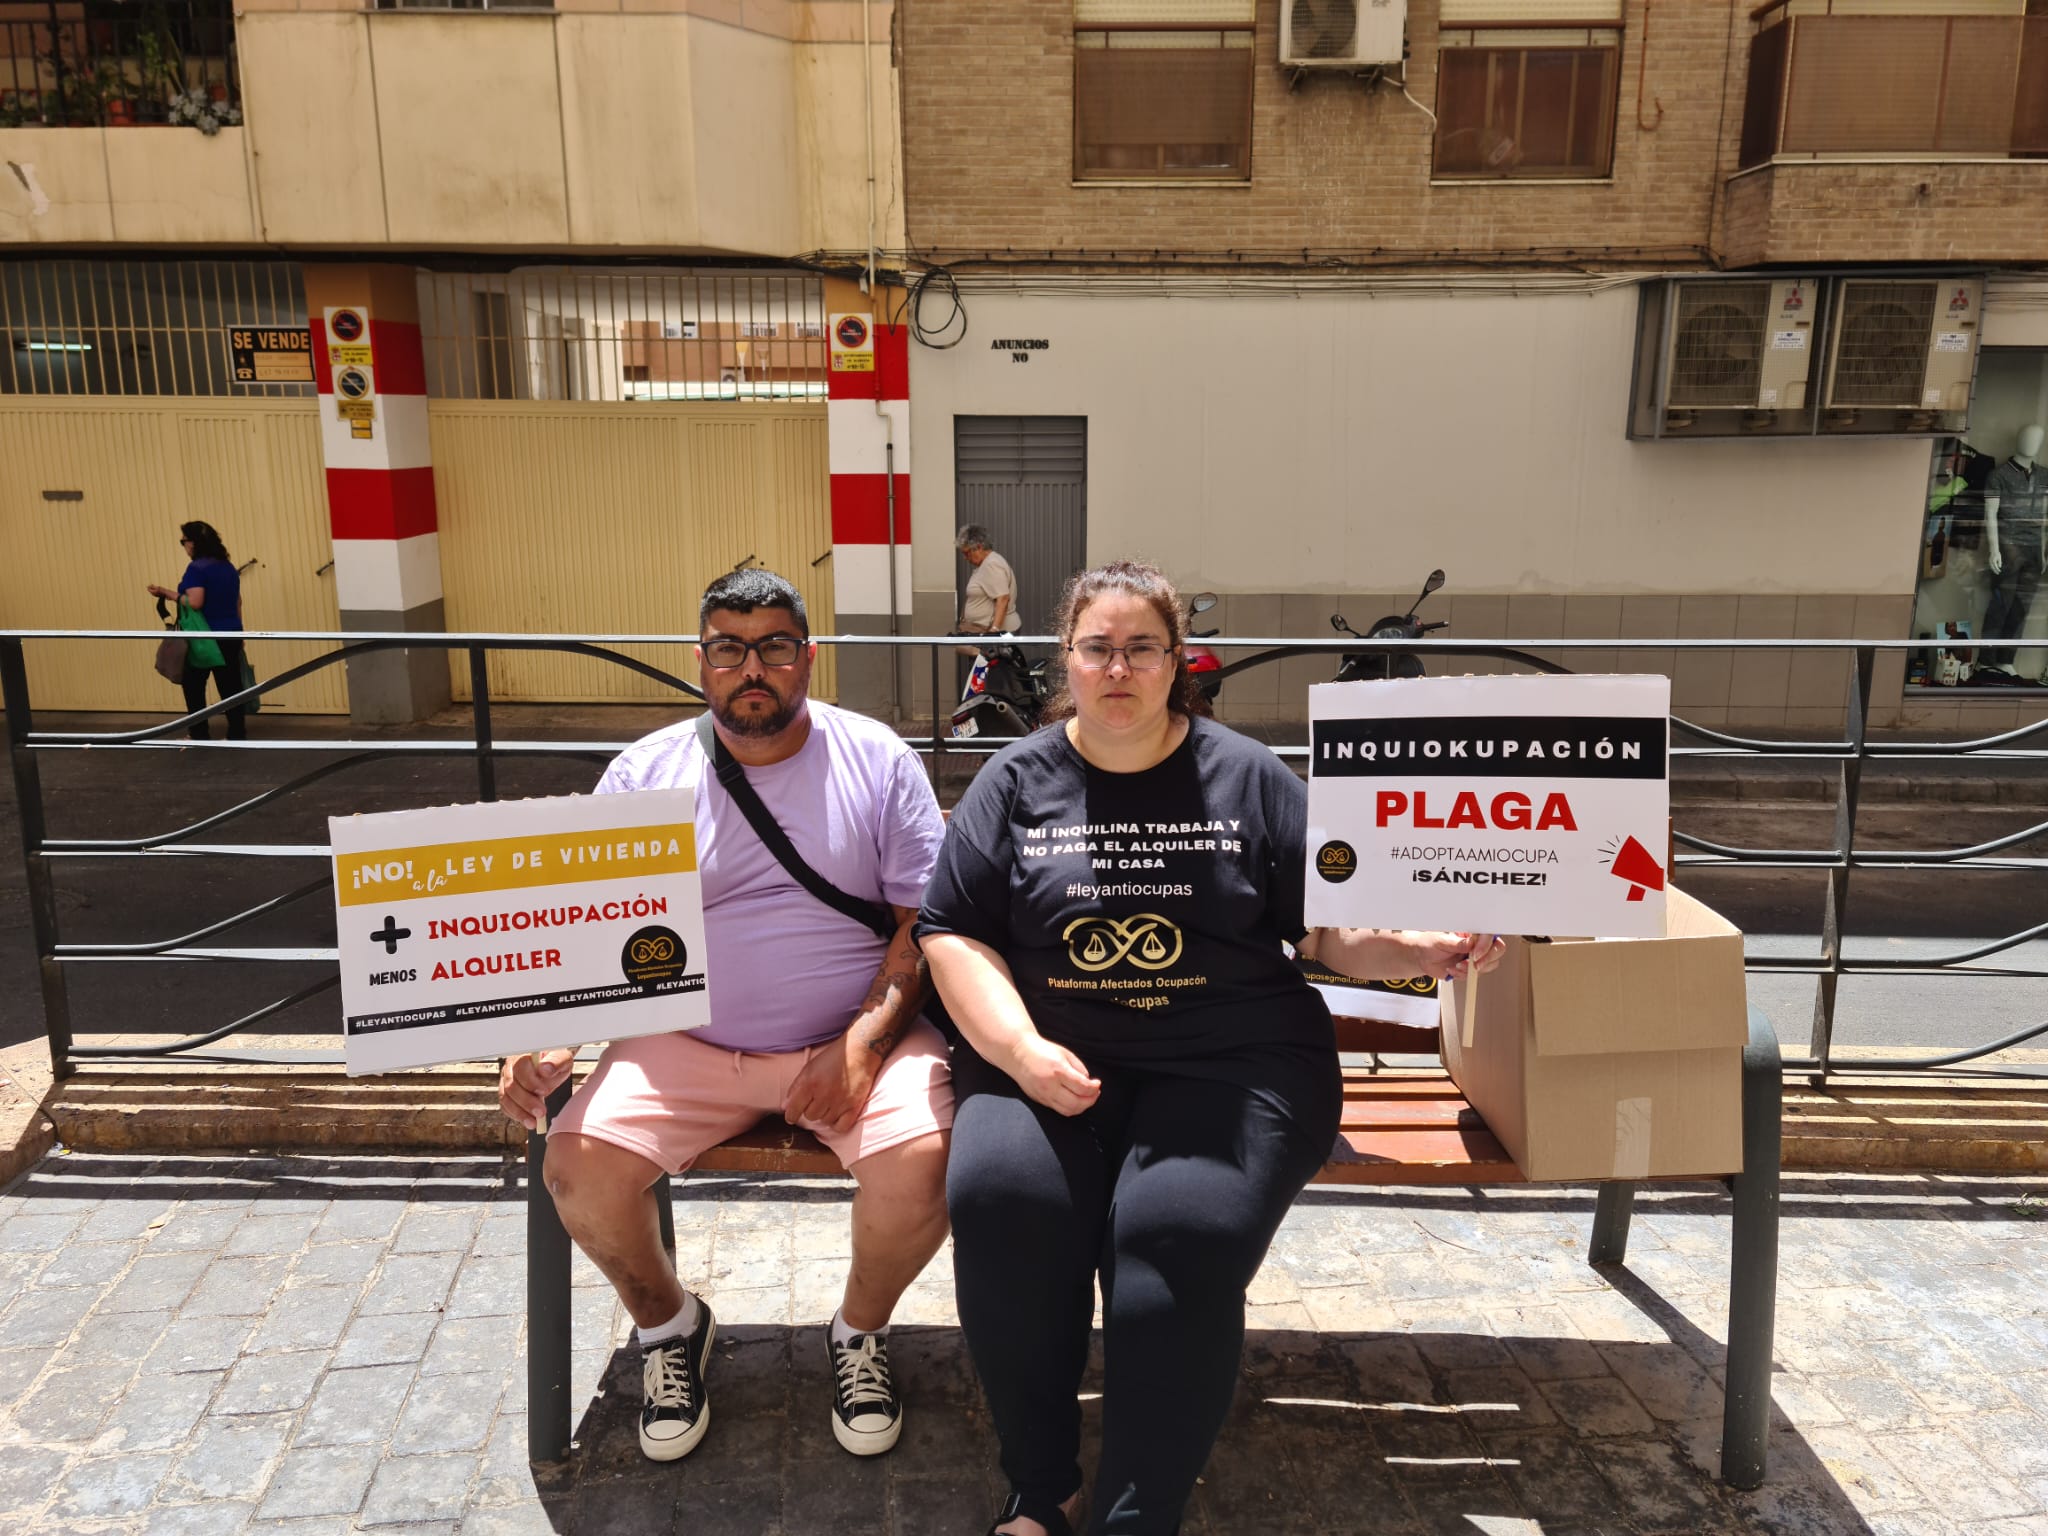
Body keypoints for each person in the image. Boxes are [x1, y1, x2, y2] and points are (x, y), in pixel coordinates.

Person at [916, 560, 1502, 1536]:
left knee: (1173, 1236)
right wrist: (1017, 1053)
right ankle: (1042, 1488)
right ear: (1067, 659)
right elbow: (951, 933)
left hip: (1234, 1064)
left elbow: (1327, 929)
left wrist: (1413, 949)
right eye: (1097, 648)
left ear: (1175, 660)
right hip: (1045, 1061)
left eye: (1141, 648)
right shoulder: (1015, 781)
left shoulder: (1247, 777)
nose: (1118, 669)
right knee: (1002, 1202)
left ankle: (1136, 1516)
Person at [499, 568, 953, 1463]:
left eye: (774, 647)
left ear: (808, 657)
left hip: (851, 1035)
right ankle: (670, 1327)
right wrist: (544, 1035)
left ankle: (859, 1331)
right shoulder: (646, 773)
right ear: (699, 661)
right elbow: (587, 924)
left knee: (925, 1164)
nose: (752, 668)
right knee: (578, 1168)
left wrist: (862, 1047)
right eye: (728, 649)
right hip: (687, 1039)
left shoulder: (876, 759)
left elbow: (923, 922)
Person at [146, 520, 247, 741]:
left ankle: (199, 733)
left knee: (194, 686)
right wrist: (240, 632)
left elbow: (195, 601)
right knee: (231, 688)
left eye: (183, 541)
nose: (183, 546)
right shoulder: (227, 567)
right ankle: (237, 734)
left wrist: (166, 593)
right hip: (230, 632)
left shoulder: (197, 569)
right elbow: (238, 601)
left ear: (194, 543)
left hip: (203, 638)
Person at [956, 524, 1018, 635]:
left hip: (988, 631)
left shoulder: (992, 564)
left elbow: (1003, 598)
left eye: (967, 553)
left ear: (979, 547)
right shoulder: (986, 564)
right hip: (980, 631)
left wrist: (993, 631)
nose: (965, 558)